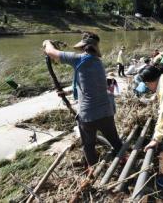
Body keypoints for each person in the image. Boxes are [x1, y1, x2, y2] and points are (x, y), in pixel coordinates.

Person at [42, 32, 123, 174]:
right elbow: (92, 85)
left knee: (89, 145)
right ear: (95, 48)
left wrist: (47, 41)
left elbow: (51, 52)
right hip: (106, 112)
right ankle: (124, 159)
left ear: (84, 47)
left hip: (88, 116)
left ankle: (93, 171)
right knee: (115, 141)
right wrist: (67, 93)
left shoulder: (78, 59)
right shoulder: (98, 62)